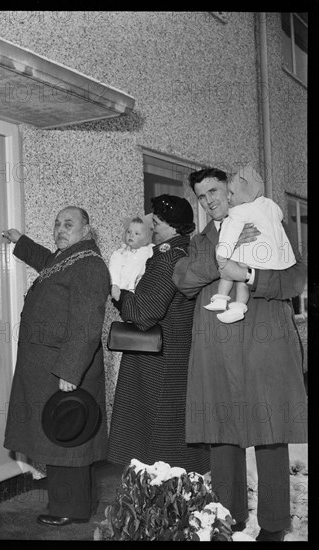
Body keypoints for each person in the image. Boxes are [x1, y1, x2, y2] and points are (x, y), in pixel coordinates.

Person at [173, 167, 307, 542]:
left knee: (270, 433)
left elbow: (296, 278)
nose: (211, 199)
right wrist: (221, 255)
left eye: (215, 190)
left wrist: (249, 274)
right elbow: (182, 281)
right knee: (222, 432)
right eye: (202, 196)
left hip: (262, 345)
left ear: (231, 190)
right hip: (216, 348)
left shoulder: (265, 221)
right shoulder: (201, 240)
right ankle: (226, 515)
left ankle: (274, 524)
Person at [2, 206, 110, 526]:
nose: (60, 229)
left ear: (86, 230)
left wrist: (69, 370)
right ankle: (80, 504)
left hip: (64, 368)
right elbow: (45, 261)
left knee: (66, 440)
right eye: (57, 224)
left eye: (69, 224)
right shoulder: (68, 259)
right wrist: (21, 241)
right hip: (52, 365)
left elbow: (87, 324)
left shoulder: (89, 265)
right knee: (66, 437)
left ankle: (67, 508)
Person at [107, 195, 210, 475]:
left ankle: (160, 510)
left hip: (156, 361)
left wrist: (120, 295)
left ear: (169, 226)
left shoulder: (167, 258)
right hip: (174, 353)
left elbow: (143, 313)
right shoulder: (185, 251)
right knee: (172, 436)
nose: (150, 223)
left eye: (156, 219)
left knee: (155, 446)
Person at [205, 165, 296, 323]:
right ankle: (239, 306)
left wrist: (222, 255)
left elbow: (230, 235)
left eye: (231, 193)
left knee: (233, 272)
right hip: (274, 259)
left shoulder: (239, 211)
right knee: (241, 282)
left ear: (245, 193)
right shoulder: (269, 205)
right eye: (201, 197)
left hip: (266, 320)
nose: (228, 198)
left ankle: (221, 298)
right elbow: (279, 215)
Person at [108, 214, 154, 301]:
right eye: (129, 232)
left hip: (141, 291)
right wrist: (115, 285)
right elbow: (114, 269)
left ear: (147, 237)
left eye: (137, 233)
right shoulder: (121, 253)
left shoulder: (150, 250)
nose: (131, 235)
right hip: (123, 291)